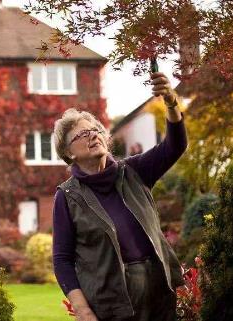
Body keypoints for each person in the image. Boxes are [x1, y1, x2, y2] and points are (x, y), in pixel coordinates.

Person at [52, 72, 187, 321]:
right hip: (111, 302)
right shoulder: (67, 197)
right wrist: (82, 310)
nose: (93, 135)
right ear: (68, 153)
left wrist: (170, 101)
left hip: (158, 290)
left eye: (95, 130)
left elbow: (175, 145)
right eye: (82, 135)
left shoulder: (134, 171)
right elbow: (62, 260)